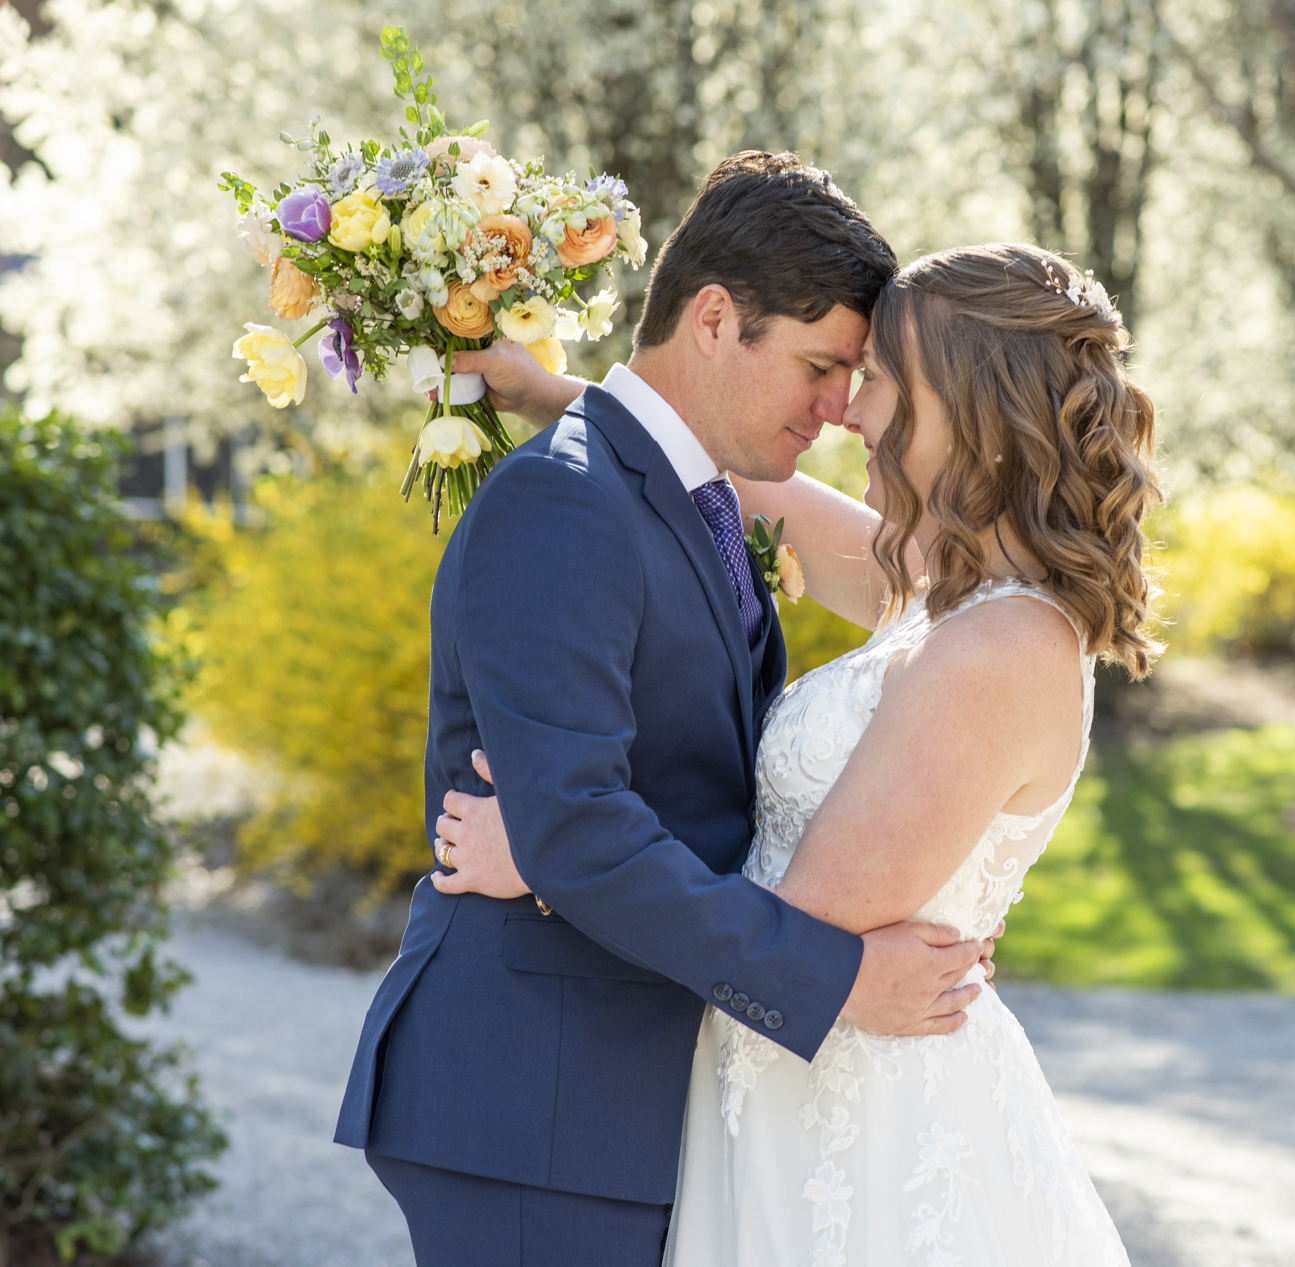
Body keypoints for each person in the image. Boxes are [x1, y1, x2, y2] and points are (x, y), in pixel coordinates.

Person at [436, 241, 1162, 1265]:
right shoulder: (946, 581)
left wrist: (553, 851)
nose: (848, 412)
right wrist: (549, 393)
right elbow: (709, 486)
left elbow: (803, 918)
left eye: (877, 382)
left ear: (971, 407)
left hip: (872, 1129)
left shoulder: (1001, 646)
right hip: (792, 1086)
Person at [333, 152, 996, 1267]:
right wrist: (839, 979)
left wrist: (546, 849)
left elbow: (630, 815)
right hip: (539, 1106)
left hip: (617, 1097)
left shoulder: (686, 488)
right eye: (820, 367)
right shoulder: (561, 502)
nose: (839, 411)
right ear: (713, 317)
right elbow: (583, 826)